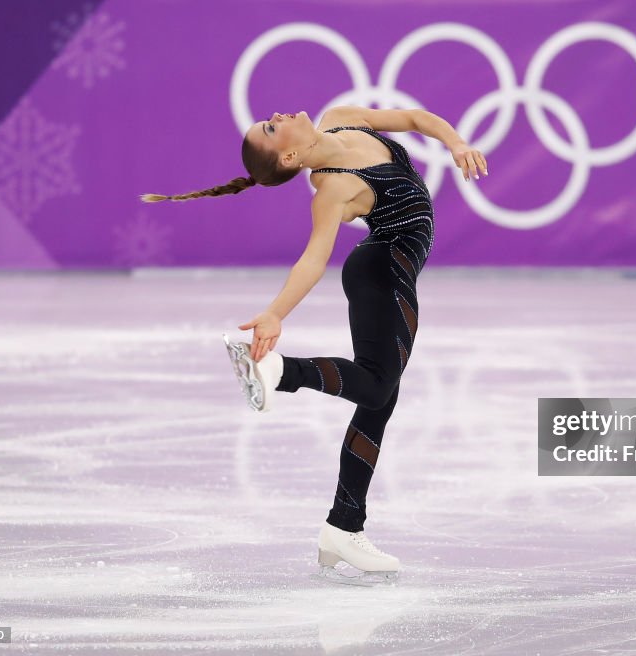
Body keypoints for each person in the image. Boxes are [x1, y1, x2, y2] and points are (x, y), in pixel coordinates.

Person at [140, 106, 488, 584]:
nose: (276, 115)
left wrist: (457, 144)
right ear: (289, 154)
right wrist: (275, 313)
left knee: (379, 400)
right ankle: (281, 373)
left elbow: (411, 119)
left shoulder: (341, 117)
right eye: (270, 127)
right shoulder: (334, 188)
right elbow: (312, 259)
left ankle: (343, 526)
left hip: (389, 273)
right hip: (381, 274)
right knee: (376, 389)